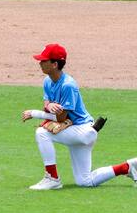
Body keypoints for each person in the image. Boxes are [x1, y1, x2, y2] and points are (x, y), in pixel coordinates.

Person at [21, 43, 137, 190]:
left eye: (44, 60)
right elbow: (47, 101)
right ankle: (127, 167)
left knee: (42, 133)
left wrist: (34, 113)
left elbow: (60, 118)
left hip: (83, 132)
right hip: (73, 131)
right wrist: (49, 106)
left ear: (55, 64)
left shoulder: (68, 85)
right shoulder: (47, 81)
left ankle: (52, 178)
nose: (40, 63)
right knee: (85, 181)